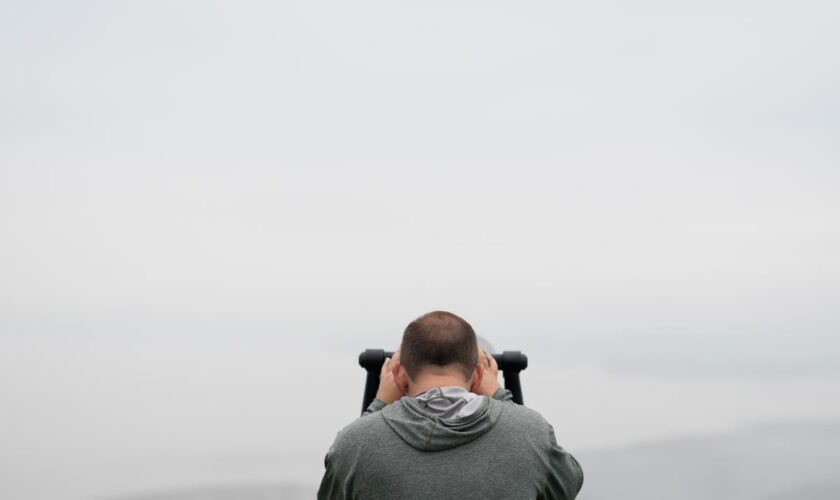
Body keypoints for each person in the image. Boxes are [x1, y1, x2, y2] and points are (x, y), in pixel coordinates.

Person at [318, 311, 584, 499]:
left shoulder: (354, 444)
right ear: (479, 375)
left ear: (398, 374)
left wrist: (377, 407)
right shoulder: (531, 433)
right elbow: (566, 486)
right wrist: (501, 398)